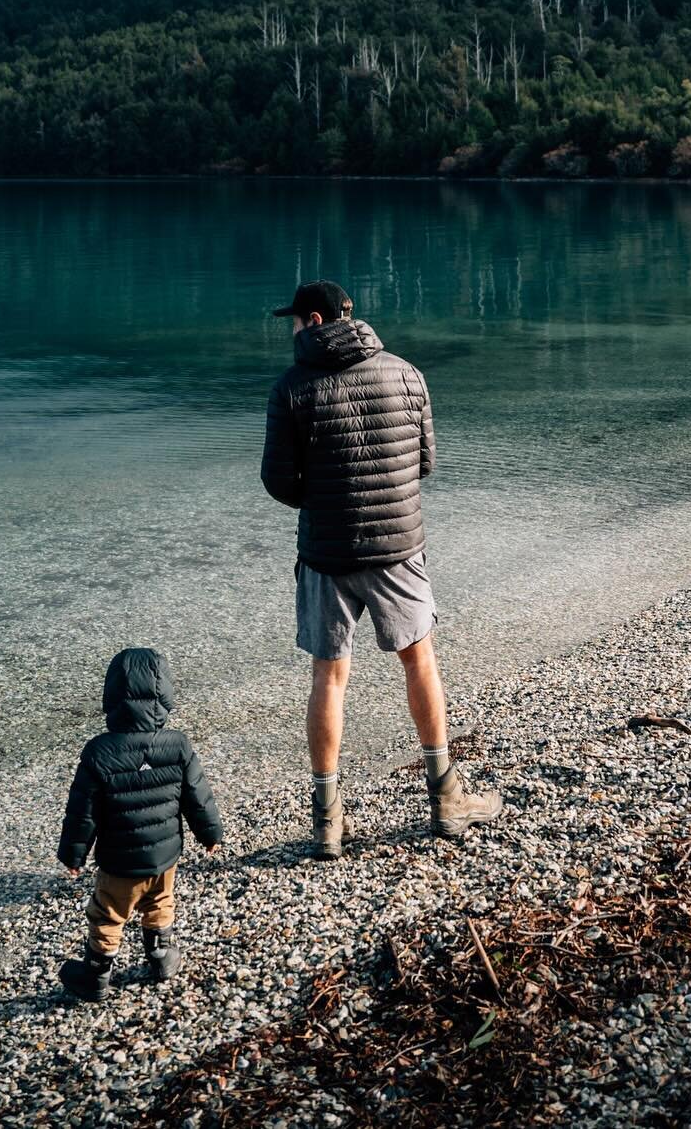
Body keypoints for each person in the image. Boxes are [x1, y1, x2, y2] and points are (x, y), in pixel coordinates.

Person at [261, 280, 502, 859]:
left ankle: (327, 822)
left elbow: (277, 481)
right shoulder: (405, 372)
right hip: (398, 547)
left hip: (326, 553)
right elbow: (424, 460)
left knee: (329, 675)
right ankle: (446, 800)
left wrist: (323, 503)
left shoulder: (293, 386)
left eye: (294, 321)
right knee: (419, 662)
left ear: (313, 319)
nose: (292, 330)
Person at [56, 646, 223, 1002]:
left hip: (120, 862)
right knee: (161, 901)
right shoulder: (177, 745)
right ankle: (161, 959)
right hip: (165, 855)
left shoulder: (99, 751)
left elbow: (82, 812)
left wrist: (74, 856)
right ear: (165, 696)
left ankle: (96, 976)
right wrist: (211, 835)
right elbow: (198, 795)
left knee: (108, 914)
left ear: (111, 697)